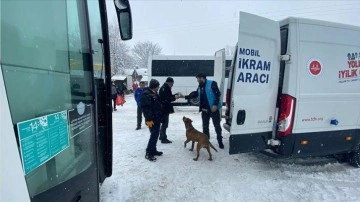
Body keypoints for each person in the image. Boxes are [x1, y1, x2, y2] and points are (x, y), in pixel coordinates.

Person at [185, 73, 224, 149]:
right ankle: (206, 142)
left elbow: (218, 94)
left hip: (213, 109)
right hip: (204, 110)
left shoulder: (212, 83)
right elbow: (196, 94)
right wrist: (185, 96)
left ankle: (220, 141)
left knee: (217, 126)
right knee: (205, 127)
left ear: (202, 78)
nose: (197, 80)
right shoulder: (200, 86)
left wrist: (215, 105)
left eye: (198, 79)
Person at [141, 79, 164, 161]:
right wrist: (149, 119)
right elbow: (146, 109)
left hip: (156, 118)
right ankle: (148, 152)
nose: (158, 88)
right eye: (158, 86)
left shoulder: (153, 93)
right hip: (150, 120)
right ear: (154, 86)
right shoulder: (146, 94)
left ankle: (153, 150)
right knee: (153, 135)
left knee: (155, 134)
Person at [158, 77, 181, 143]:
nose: (172, 85)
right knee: (165, 123)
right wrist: (174, 97)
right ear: (169, 83)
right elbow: (167, 99)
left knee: (164, 123)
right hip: (164, 108)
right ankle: (163, 138)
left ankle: (161, 136)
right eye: (172, 84)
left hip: (163, 108)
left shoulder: (164, 87)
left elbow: (168, 96)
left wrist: (175, 95)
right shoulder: (165, 88)